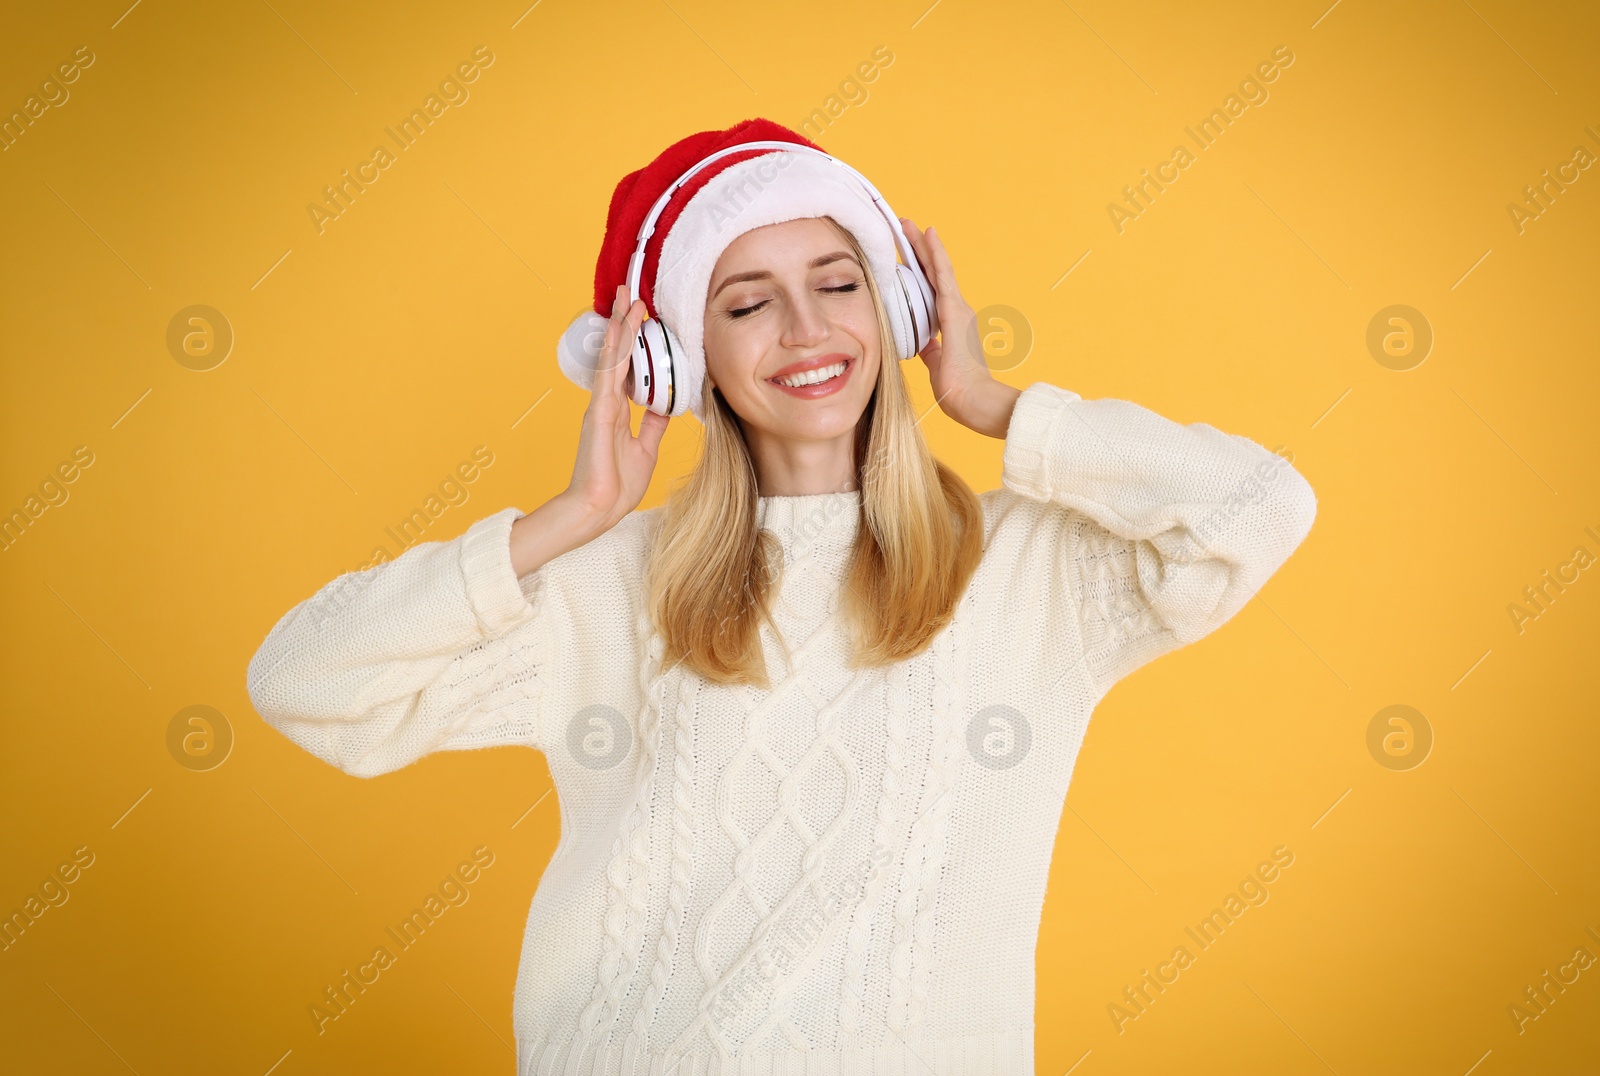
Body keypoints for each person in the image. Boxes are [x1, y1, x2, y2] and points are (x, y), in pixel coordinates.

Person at [246, 117, 1317, 1075]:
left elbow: (1259, 506)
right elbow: (304, 680)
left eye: (840, 283)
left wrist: (997, 407)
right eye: (747, 303)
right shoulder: (611, 585)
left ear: (899, 307)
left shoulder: (1027, 567)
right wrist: (570, 517)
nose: (807, 330)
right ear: (674, 362)